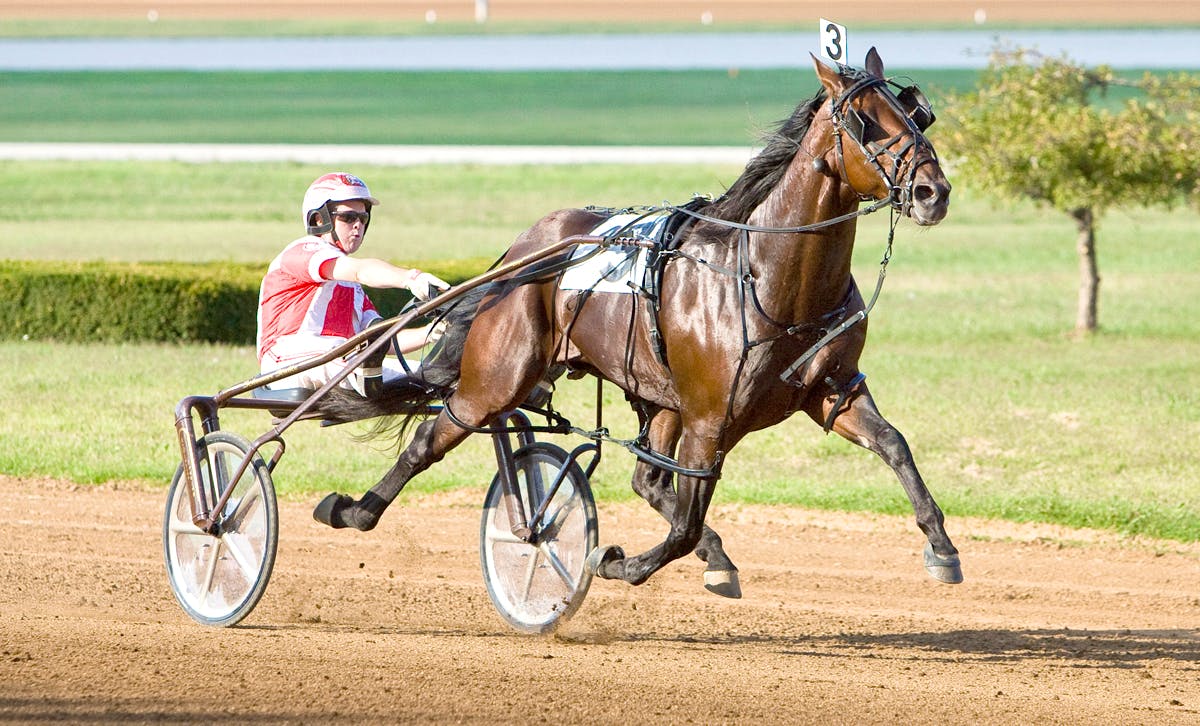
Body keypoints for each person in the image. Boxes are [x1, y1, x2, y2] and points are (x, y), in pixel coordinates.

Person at [256, 172, 449, 394]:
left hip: (340, 361)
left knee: (434, 375)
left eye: (363, 218)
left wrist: (432, 332)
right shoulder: (302, 251)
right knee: (342, 354)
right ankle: (363, 372)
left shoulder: (352, 289)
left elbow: (383, 341)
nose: (357, 225)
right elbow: (361, 270)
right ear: (320, 219)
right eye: (348, 218)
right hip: (284, 364)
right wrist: (411, 278)